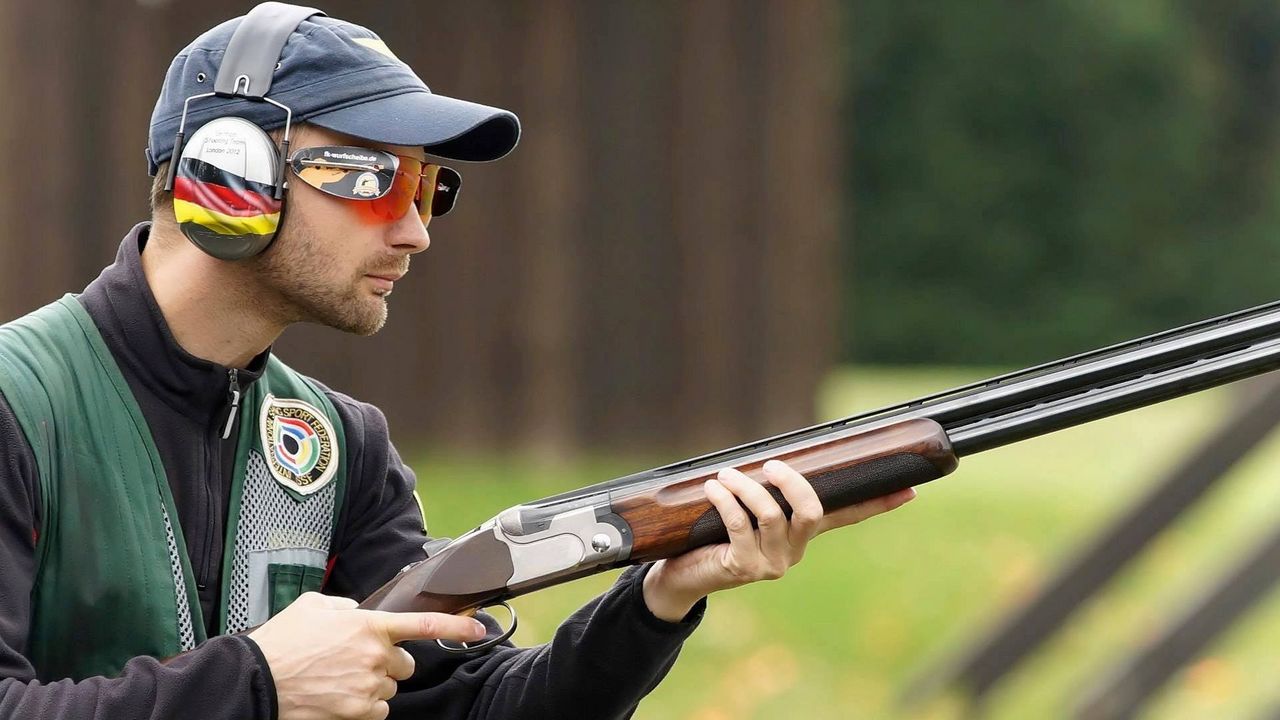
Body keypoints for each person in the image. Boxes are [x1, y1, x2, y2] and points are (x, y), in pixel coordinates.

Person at [0, 4, 915, 719]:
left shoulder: (339, 444)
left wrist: (659, 599)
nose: (414, 228)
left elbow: (466, 707)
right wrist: (259, 686)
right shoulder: (18, 403)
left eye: (433, 187)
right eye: (373, 179)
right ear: (226, 177)